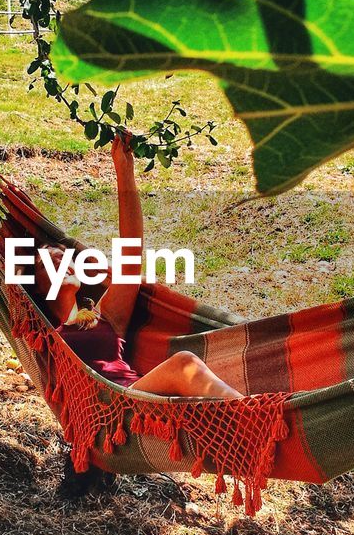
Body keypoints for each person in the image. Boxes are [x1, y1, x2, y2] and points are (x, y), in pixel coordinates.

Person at [32, 134, 242, 400]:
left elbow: (131, 252)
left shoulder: (103, 319)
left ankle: (258, 418)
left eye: (63, 256)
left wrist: (124, 170)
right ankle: (260, 418)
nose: (59, 260)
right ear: (37, 287)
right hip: (112, 412)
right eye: (45, 263)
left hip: (142, 407)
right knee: (184, 364)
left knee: (191, 370)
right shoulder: (41, 334)